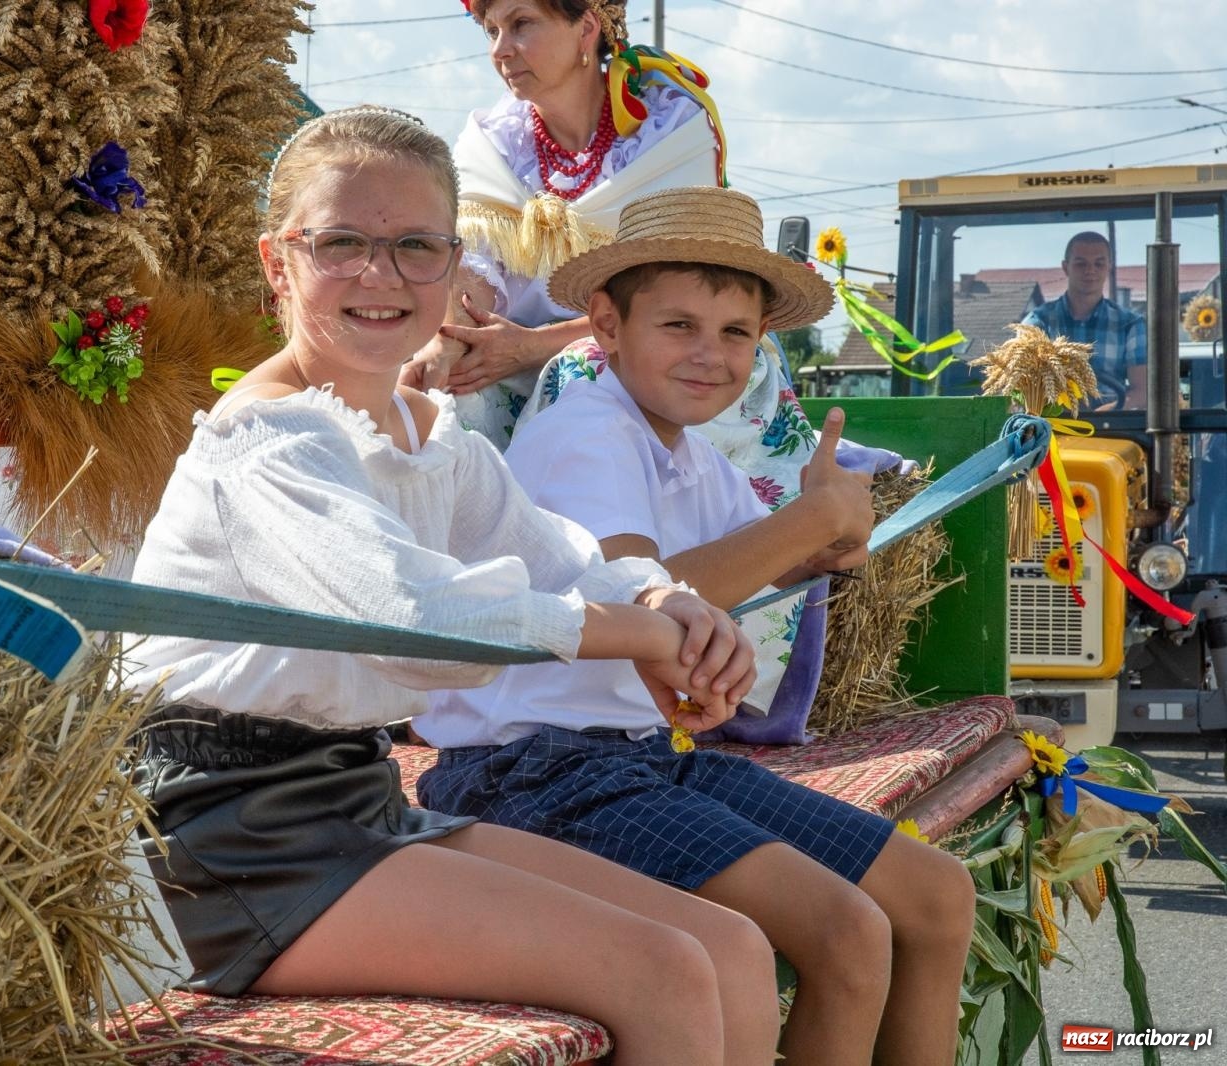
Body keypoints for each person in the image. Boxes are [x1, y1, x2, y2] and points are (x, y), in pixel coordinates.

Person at [123, 107, 784, 1066]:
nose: (380, 275)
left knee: (730, 947)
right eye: (341, 243)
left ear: (452, 265)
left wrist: (661, 602)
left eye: (416, 246)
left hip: (353, 796)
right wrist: (642, 638)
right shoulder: (266, 443)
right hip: (229, 833)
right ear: (278, 262)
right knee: (664, 969)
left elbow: (559, 554)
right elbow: (410, 620)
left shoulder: (428, 434)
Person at [415, 187, 978, 1066]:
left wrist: (824, 546)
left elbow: (741, 569)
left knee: (936, 895)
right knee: (846, 932)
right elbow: (648, 599)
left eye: (735, 333)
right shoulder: (585, 433)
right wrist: (812, 520)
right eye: (679, 325)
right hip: (529, 773)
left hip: (638, 757)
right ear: (607, 325)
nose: (710, 355)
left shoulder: (691, 455)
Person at [401, 0, 728, 445]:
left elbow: (686, 299)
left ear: (586, 28)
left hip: (653, 355)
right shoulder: (493, 141)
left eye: (521, 24)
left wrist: (534, 347)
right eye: (492, 31)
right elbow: (471, 269)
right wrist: (449, 342)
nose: (500, 49)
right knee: (446, 390)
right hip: (507, 353)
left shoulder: (669, 130)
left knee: (583, 378)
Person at [1022, 231, 1147, 409]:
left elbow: (1142, 391)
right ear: (1065, 267)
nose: (1090, 270)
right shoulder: (1038, 323)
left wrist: (1106, 414)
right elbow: (1024, 386)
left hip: (1113, 424)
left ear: (1109, 267)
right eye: (1081, 264)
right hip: (1053, 422)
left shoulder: (1130, 325)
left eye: (1099, 264)